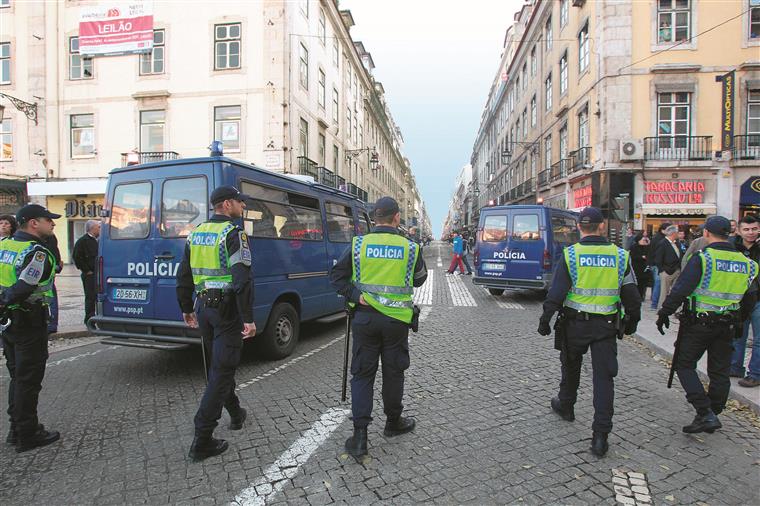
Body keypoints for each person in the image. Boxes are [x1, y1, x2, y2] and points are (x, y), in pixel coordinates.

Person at [537, 207, 641, 457]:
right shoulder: (620, 256)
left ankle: (567, 405)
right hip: (606, 326)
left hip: (575, 324)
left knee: (571, 368)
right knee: (604, 379)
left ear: (579, 227)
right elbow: (632, 295)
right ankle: (600, 436)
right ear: (602, 226)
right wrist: (633, 321)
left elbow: (557, 291)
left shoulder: (572, 255)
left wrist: (546, 318)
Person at [330, 196, 428, 459]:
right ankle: (393, 422)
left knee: (362, 374)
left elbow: (336, 276)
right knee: (394, 371)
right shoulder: (410, 247)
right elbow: (420, 280)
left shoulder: (358, 244)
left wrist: (354, 295)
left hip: (364, 318)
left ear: (375, 218)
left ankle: (360, 436)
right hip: (396, 321)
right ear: (396, 218)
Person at [176, 185, 256, 461]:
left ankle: (235, 412)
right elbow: (241, 278)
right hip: (226, 311)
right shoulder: (233, 234)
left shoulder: (196, 233)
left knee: (220, 365)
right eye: (239, 202)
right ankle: (203, 437)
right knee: (221, 372)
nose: (242, 206)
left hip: (204, 309)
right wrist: (248, 318)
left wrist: (186, 307)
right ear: (226, 204)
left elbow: (184, 274)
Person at [656, 216, 758, 433]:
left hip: (699, 324)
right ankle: (713, 412)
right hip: (727, 325)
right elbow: (751, 297)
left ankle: (705, 412)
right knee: (720, 372)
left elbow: (681, 289)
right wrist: (740, 319)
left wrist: (664, 313)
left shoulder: (704, 258)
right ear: (730, 234)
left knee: (684, 364)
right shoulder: (747, 263)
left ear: (706, 234)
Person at [0, 204, 63, 452]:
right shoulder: (36, 252)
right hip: (29, 322)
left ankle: (16, 430)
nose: (52, 224)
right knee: (28, 379)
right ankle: (28, 433)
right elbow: (25, 286)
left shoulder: (4, 246)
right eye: (48, 220)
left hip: (9, 324)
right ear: (33, 223)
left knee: (17, 376)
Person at [729, 215, 760, 387]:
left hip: (758, 299)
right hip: (738, 298)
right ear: (739, 230)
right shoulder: (731, 247)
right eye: (747, 229)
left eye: (754, 229)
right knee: (737, 335)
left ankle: (755, 373)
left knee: (758, 339)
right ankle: (734, 367)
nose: (751, 233)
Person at [72, 220, 101, 324]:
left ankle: (99, 316)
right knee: (90, 297)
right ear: (92, 228)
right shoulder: (83, 241)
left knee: (99, 296)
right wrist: (86, 270)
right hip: (90, 274)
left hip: (98, 274)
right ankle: (89, 319)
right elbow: (76, 257)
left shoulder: (98, 241)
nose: (100, 229)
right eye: (98, 227)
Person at [655, 225, 682, 309]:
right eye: (677, 232)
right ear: (673, 233)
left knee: (675, 292)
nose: (678, 234)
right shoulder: (663, 243)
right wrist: (663, 271)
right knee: (664, 292)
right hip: (667, 271)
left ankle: (673, 308)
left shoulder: (676, 243)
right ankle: (662, 308)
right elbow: (658, 259)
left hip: (676, 270)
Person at [648, 222, 671, 310]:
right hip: (657, 264)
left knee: (657, 283)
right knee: (658, 284)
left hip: (655, 264)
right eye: (668, 230)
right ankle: (654, 304)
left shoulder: (657, 238)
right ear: (662, 230)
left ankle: (654, 302)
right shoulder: (660, 239)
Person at [629, 233, 651, 299]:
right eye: (643, 240)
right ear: (638, 240)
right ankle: (636, 296)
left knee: (643, 283)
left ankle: (642, 296)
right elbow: (633, 256)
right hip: (636, 268)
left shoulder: (646, 247)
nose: (644, 241)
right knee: (637, 283)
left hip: (644, 269)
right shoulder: (634, 247)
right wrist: (641, 257)